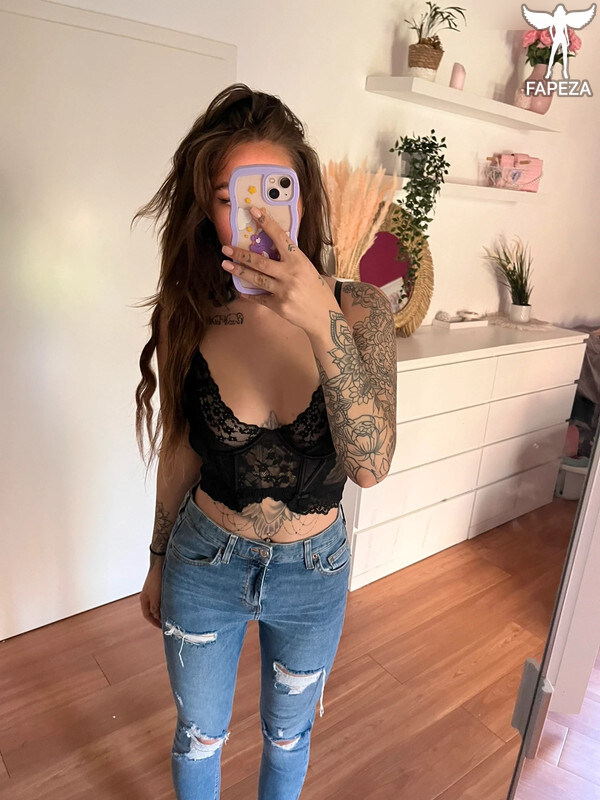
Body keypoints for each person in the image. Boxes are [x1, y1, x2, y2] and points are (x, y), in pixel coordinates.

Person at [134, 83, 397, 800]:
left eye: (272, 192)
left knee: (289, 736)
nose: (254, 215)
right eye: (230, 197)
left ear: (302, 198)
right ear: (206, 209)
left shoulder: (359, 309)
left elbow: (371, 465)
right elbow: (180, 448)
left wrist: (320, 320)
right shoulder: (192, 311)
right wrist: (156, 560)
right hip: (204, 561)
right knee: (198, 736)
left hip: (314, 573)